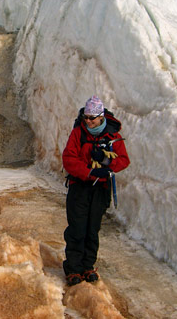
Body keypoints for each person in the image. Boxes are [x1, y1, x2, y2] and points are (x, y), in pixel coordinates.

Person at [62, 95, 130, 286]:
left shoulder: (113, 136)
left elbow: (123, 159)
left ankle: (88, 266)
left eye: (92, 118)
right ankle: (73, 268)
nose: (89, 121)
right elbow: (69, 159)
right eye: (86, 117)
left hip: (100, 188)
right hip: (80, 187)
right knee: (77, 227)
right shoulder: (78, 134)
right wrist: (90, 172)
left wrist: (106, 162)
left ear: (101, 116)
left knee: (92, 228)